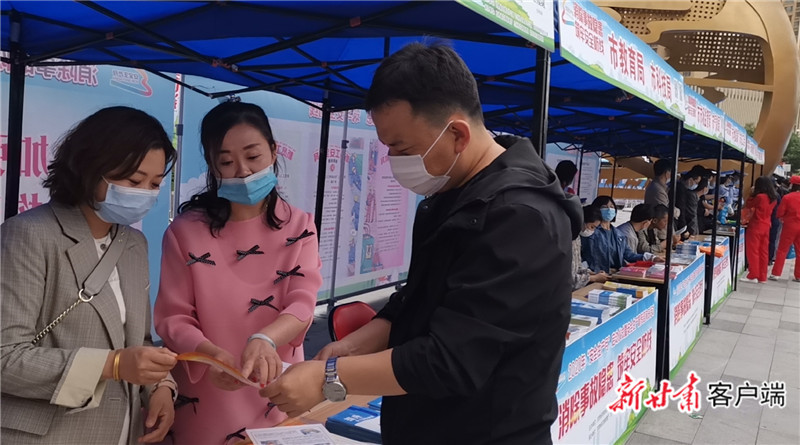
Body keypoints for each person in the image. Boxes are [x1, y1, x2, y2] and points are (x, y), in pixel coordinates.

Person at [261, 42, 583, 444]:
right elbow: (419, 298)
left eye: (403, 148)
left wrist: (329, 378)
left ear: (457, 134)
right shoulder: (454, 194)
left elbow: (453, 359)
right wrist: (356, 346)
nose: (394, 160)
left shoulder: (520, 218)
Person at [1, 107, 178, 444]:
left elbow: (138, 340)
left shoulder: (134, 244)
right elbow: (5, 356)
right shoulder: (30, 235)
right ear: (90, 167)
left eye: (155, 184)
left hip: (122, 431)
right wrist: (112, 365)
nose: (144, 193)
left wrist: (160, 387)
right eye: (134, 181)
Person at [153, 101, 323, 444]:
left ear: (273, 151)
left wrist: (265, 339)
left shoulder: (300, 226)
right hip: (207, 392)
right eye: (227, 162)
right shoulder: (185, 232)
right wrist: (211, 356)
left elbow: (302, 301)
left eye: (253, 156)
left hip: (276, 384)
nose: (243, 171)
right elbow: (173, 317)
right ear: (213, 167)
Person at [582, 196, 657, 274]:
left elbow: (629, 255)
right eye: (604, 207)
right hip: (596, 275)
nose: (609, 209)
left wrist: (651, 257)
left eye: (612, 207)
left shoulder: (618, 234)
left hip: (615, 275)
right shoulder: (590, 231)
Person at [743, 176, 779, 283]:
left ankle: (753, 274)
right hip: (766, 225)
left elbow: (748, 204)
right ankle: (762, 276)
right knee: (763, 251)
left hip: (756, 225)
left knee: (753, 250)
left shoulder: (760, 197)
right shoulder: (773, 198)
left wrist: (751, 194)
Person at [770, 176, 800, 282]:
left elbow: (780, 212)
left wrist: (783, 218)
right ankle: (798, 275)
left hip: (789, 226)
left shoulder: (787, 197)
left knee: (782, 249)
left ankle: (776, 274)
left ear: (792, 185)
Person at [573, 205, 609, 290]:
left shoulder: (577, 238)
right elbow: (569, 278)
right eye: (592, 227)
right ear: (582, 221)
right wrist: (594, 278)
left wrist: (592, 273)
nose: (592, 231)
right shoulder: (568, 239)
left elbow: (577, 266)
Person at [675, 165, 706, 238]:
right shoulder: (681, 190)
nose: (696, 185)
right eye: (696, 182)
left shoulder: (682, 188)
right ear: (690, 179)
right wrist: (684, 228)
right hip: (680, 226)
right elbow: (682, 209)